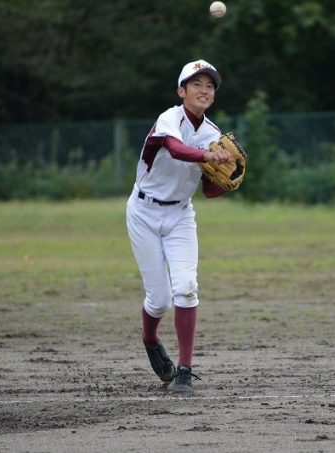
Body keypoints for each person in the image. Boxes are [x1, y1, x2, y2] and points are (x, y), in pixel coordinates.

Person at [125, 60, 233, 392]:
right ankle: (150, 339)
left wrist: (228, 179)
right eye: (196, 84)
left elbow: (209, 189)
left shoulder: (213, 134)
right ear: (181, 91)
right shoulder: (168, 119)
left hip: (181, 216)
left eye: (210, 86)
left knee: (186, 287)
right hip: (143, 212)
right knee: (159, 300)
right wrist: (207, 157)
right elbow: (174, 149)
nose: (204, 90)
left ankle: (185, 369)